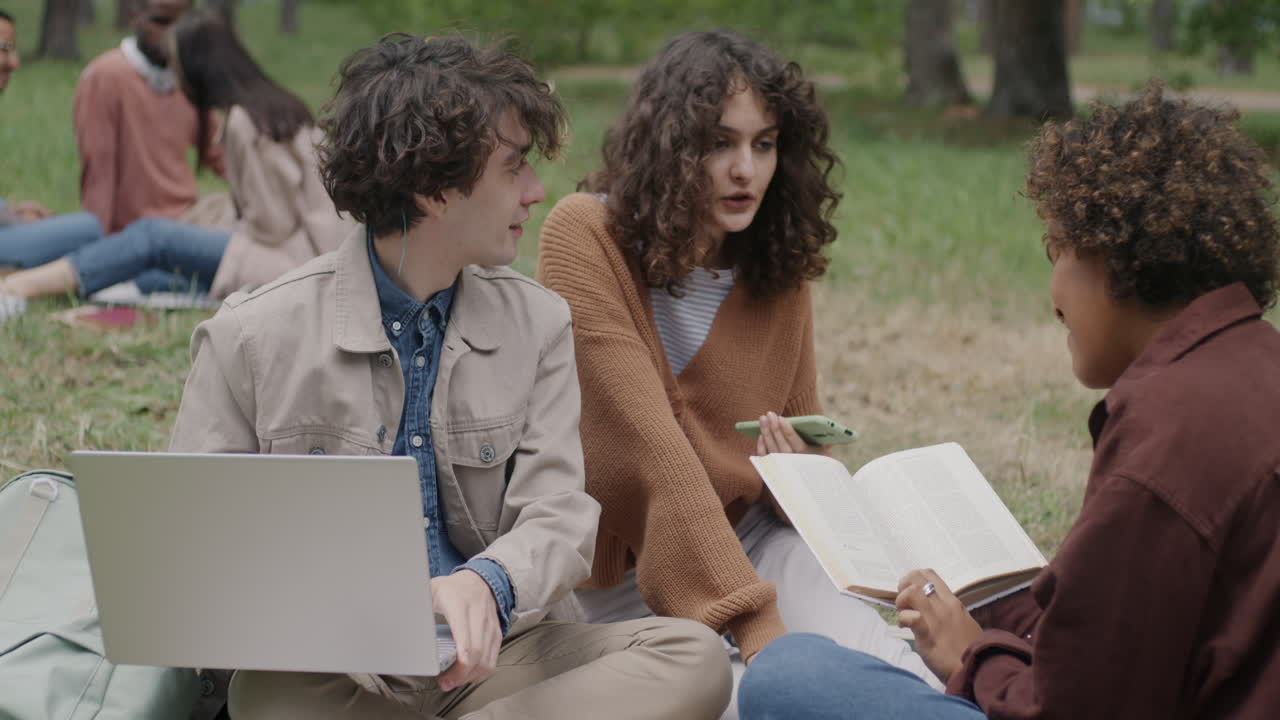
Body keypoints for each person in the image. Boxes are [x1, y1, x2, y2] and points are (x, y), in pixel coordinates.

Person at [167, 33, 732, 719]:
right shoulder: (249, 335)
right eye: (514, 167)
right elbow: (194, 563)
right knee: (267, 694)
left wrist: (486, 583)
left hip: (498, 656)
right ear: (435, 186)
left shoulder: (540, 323)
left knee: (692, 658)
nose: (535, 191)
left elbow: (559, 516)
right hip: (333, 675)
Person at [736, 82, 1280, 720]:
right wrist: (994, 611)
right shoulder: (1255, 361)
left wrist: (971, 654)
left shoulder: (1165, 444)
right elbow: (1137, 627)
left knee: (790, 674)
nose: (1053, 297)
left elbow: (1075, 706)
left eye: (1056, 252)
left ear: (1109, 256)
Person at [535, 28, 937, 684]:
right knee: (749, 695)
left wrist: (802, 473)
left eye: (764, 144)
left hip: (756, 544)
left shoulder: (776, 266)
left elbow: (808, 431)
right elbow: (651, 450)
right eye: (719, 143)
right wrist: (760, 633)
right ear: (668, 145)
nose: (745, 169)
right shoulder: (586, 236)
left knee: (888, 670)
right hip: (625, 580)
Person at [0, 10, 351, 321]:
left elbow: (272, 226)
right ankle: (31, 286)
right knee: (148, 275)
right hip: (308, 255)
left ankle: (16, 288)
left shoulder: (246, 121)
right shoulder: (272, 105)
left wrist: (214, 230)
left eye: (177, 64)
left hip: (295, 262)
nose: (175, 76)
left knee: (153, 237)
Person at [73, 0, 224, 235]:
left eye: (181, 24)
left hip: (189, 221)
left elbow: (221, 154)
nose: (171, 34)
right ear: (135, 17)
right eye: (161, 22)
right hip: (131, 232)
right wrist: (99, 249)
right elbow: (98, 175)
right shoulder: (105, 77)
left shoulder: (189, 76)